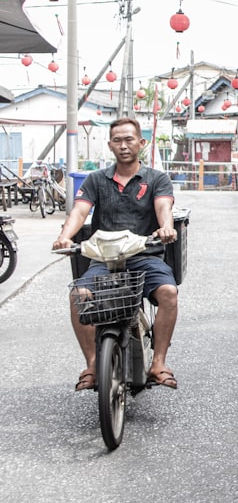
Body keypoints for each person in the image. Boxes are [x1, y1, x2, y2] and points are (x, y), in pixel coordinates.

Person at [53, 118, 180, 391]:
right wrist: (65, 235)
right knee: (78, 296)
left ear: (141, 143)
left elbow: (163, 208)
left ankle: (158, 362)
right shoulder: (96, 179)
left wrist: (166, 227)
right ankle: (92, 363)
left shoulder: (157, 179)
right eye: (118, 141)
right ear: (110, 145)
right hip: (104, 259)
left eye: (129, 139)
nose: (123, 145)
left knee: (168, 292)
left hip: (145, 255)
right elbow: (79, 210)